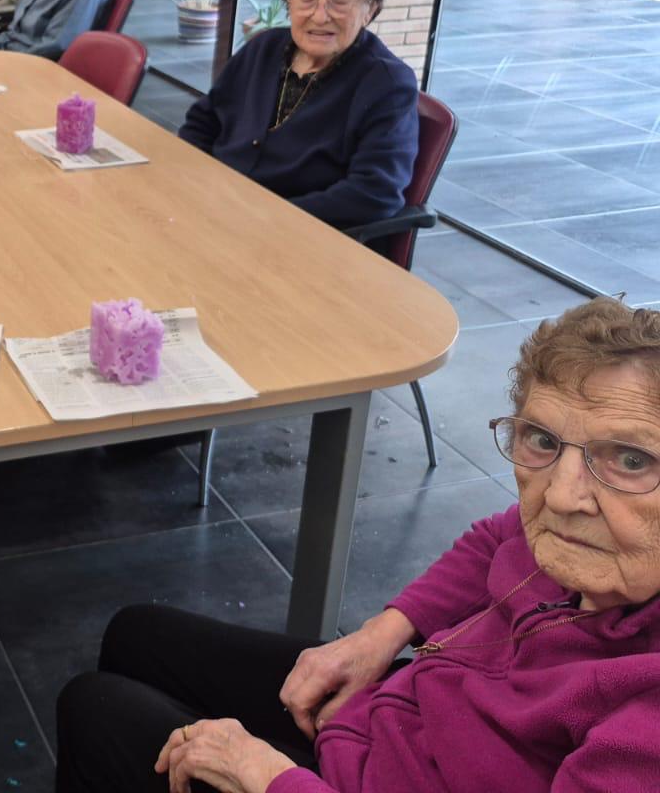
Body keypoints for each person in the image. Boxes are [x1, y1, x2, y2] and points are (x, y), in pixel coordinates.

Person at [55, 296, 660, 793]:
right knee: (137, 634)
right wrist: (378, 636)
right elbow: (498, 536)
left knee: (97, 711)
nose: (561, 496)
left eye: (630, 459)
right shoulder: (596, 548)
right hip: (393, 721)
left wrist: (266, 776)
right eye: (542, 440)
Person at [177, 0, 418, 229]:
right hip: (214, 210)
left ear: (370, 9)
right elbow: (203, 122)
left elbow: (375, 193)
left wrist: (266, 217)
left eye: (339, 3)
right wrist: (194, 184)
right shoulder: (264, 49)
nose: (320, 16)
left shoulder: (387, 84)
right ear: (289, 1)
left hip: (296, 236)